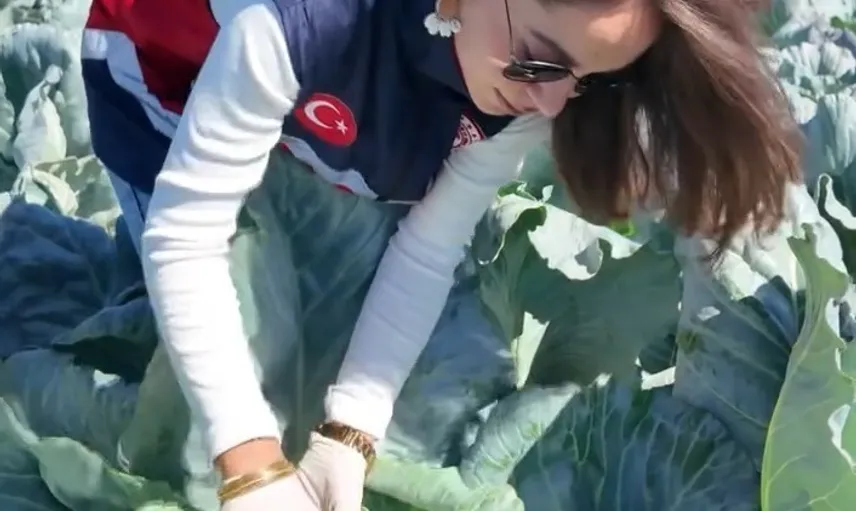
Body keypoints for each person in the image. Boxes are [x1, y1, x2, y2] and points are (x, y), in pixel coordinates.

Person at [78, 0, 800, 508]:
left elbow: (426, 250)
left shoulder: (527, 91)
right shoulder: (298, 22)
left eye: (587, 78)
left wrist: (349, 433)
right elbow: (186, 235)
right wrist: (249, 464)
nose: (553, 104)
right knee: (220, 304)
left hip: (341, 98)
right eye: (542, 61)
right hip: (163, 84)